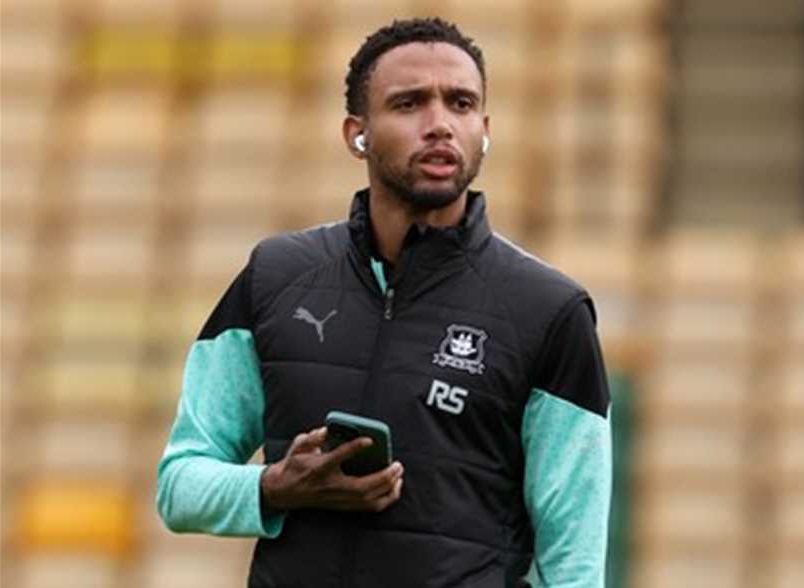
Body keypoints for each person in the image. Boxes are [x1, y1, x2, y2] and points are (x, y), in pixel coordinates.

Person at [156, 17, 612, 588]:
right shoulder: (274, 277)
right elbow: (178, 485)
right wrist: (274, 486)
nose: (440, 124)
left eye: (461, 103)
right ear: (358, 134)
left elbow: (575, 567)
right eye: (409, 103)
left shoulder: (550, 310)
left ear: (485, 130)